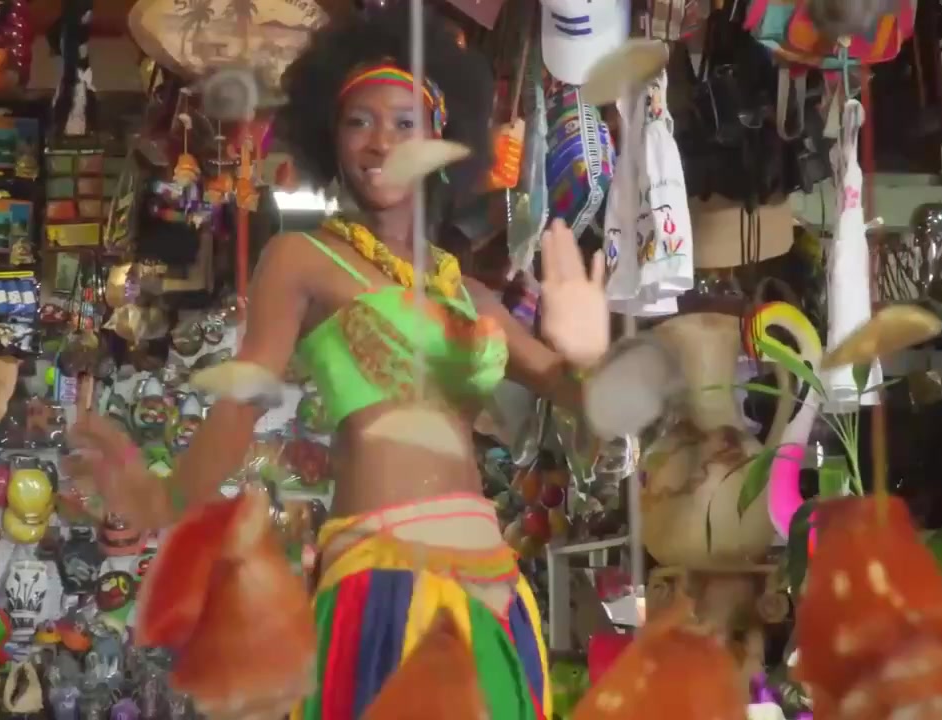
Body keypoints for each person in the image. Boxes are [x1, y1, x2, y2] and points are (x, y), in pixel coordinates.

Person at [71, 4, 611, 718]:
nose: (381, 141)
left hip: (490, 583)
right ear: (332, 137)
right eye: (359, 121)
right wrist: (166, 501)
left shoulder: (471, 293)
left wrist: (590, 352)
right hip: (380, 580)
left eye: (404, 122)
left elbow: (582, 395)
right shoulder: (302, 258)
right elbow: (240, 405)